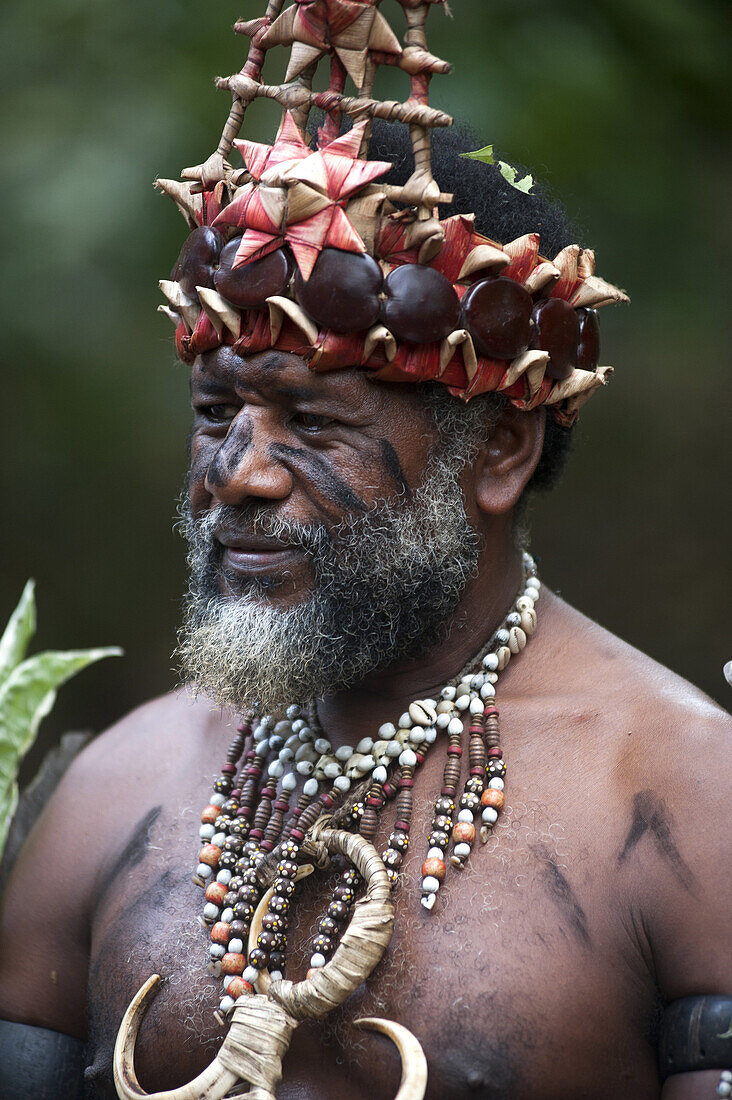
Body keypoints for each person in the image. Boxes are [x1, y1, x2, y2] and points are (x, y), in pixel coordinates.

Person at [0, 4, 729, 1098]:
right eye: (215, 413)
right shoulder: (118, 788)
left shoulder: (686, 797)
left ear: (501, 451)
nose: (238, 473)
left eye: (315, 423)